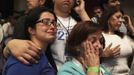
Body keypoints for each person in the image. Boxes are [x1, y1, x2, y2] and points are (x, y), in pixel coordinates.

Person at [3, 0, 90, 70]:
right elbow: (18, 46)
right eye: (46, 22)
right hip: (47, 69)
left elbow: (97, 39)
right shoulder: (36, 17)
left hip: (77, 70)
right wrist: (9, 46)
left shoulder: (79, 21)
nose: (51, 26)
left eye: (53, 23)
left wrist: (82, 12)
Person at [3, 7, 57, 75]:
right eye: (45, 22)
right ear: (31, 30)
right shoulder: (25, 59)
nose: (52, 27)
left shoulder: (42, 55)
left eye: (54, 23)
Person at [100, 8, 134, 75]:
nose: (121, 20)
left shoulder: (124, 37)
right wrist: (102, 55)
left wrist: (130, 27)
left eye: (122, 18)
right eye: (118, 17)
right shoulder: (100, 36)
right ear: (108, 18)